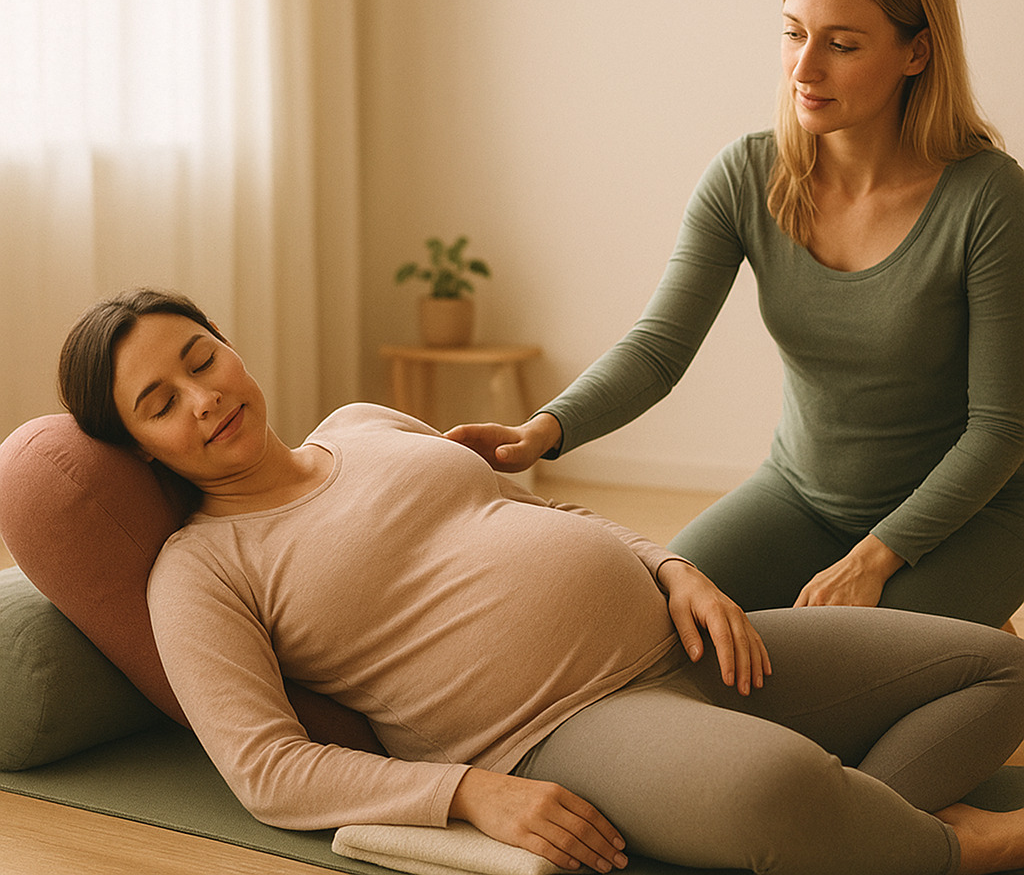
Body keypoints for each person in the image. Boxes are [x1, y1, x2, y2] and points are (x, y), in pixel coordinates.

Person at [55, 286, 1024, 875]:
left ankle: (864, 839)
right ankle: (961, 850)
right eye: (161, 402)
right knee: (776, 790)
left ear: (228, 343)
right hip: (561, 725)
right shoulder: (200, 570)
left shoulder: (360, 421)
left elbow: (540, 516)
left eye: (201, 358)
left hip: (674, 634)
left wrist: (672, 566)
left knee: (996, 666)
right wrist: (469, 792)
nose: (206, 396)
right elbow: (268, 769)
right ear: (138, 449)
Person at [447, 0, 1024, 628]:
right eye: (792, 33)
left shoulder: (989, 196)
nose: (803, 69)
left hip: (974, 518)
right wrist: (541, 431)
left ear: (917, 53)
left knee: (844, 674)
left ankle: (979, 657)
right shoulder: (748, 177)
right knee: (658, 620)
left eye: (842, 45)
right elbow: (659, 350)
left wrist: (877, 557)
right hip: (802, 497)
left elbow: (1000, 429)